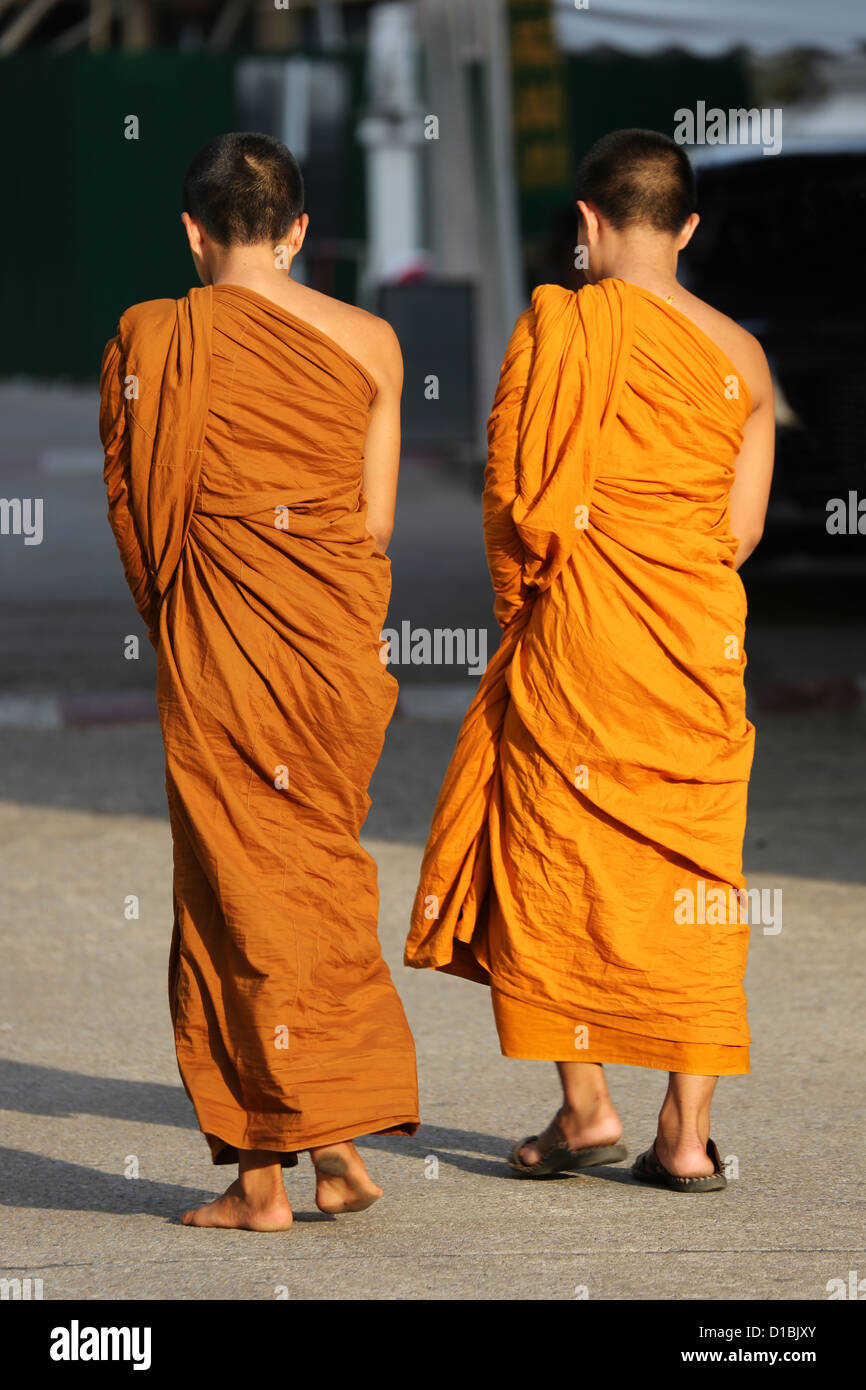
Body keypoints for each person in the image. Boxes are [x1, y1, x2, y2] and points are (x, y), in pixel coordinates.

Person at [405, 128, 774, 1193]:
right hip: (693, 649)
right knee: (698, 878)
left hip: (578, 640)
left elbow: (518, 501)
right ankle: (685, 1137)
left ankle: (584, 1104)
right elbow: (735, 534)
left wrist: (530, 596)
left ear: (586, 224)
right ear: (687, 227)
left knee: (549, 855)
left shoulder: (557, 323)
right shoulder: (739, 359)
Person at [99, 132, 419, 1230]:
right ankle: (321, 1145)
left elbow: (146, 520)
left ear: (192, 231)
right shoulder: (373, 341)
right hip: (327, 660)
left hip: (224, 656)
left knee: (235, 893)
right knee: (309, 880)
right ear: (298, 234)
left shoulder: (154, 336)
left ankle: (265, 1180)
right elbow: (372, 525)